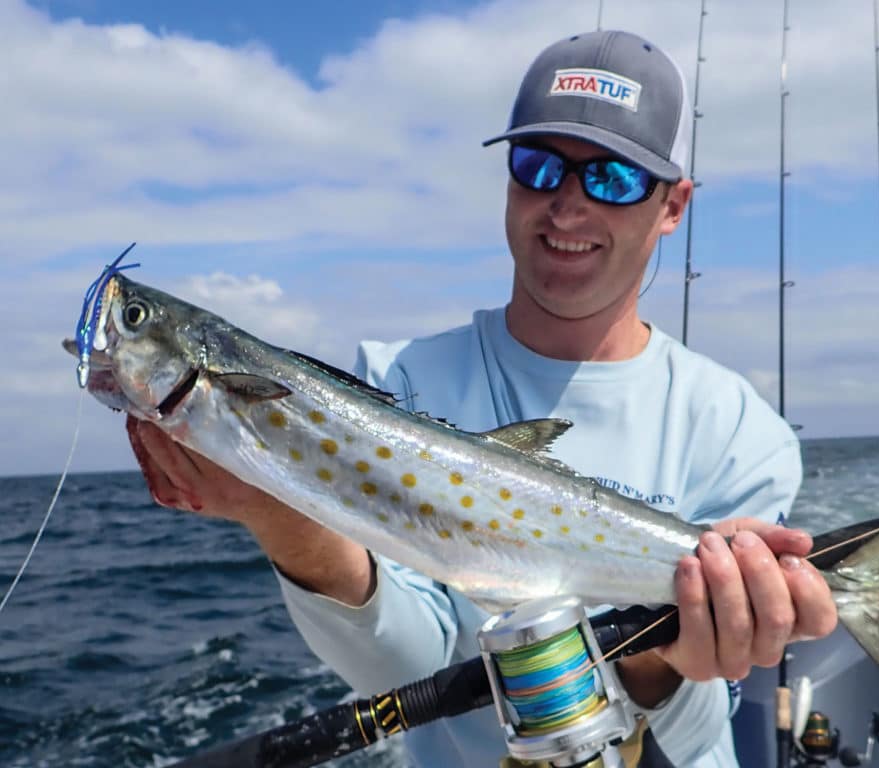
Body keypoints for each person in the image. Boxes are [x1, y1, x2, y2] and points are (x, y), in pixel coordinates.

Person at [126, 29, 837, 767]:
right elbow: (400, 682)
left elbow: (691, 742)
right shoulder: (389, 383)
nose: (567, 207)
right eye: (539, 166)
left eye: (614, 179)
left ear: (673, 206)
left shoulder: (740, 432)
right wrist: (278, 511)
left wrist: (667, 657)